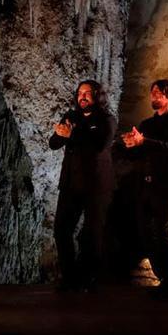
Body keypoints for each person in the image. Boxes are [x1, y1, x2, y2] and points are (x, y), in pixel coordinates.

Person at [121, 79, 168, 300]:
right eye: (152, 92)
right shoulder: (146, 124)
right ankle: (163, 279)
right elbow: (138, 153)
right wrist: (130, 145)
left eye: (158, 92)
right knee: (144, 231)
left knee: (162, 231)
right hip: (147, 182)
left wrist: (145, 142)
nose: (153, 96)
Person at [49, 80, 116, 292]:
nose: (82, 97)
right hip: (70, 183)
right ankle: (70, 277)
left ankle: (91, 278)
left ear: (97, 96)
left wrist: (72, 135)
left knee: (92, 233)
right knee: (61, 229)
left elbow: (100, 144)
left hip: (96, 185)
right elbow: (53, 143)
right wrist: (60, 134)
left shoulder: (106, 119)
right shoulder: (71, 117)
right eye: (80, 93)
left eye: (87, 93)